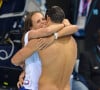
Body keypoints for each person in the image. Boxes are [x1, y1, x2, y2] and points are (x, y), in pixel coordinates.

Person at [11, 6, 78, 90]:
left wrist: (25, 70)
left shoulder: (50, 39)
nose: (43, 22)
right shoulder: (33, 37)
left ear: (47, 19)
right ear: (31, 28)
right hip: (32, 87)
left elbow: (74, 28)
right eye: (38, 21)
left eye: (43, 19)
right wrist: (25, 69)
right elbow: (16, 60)